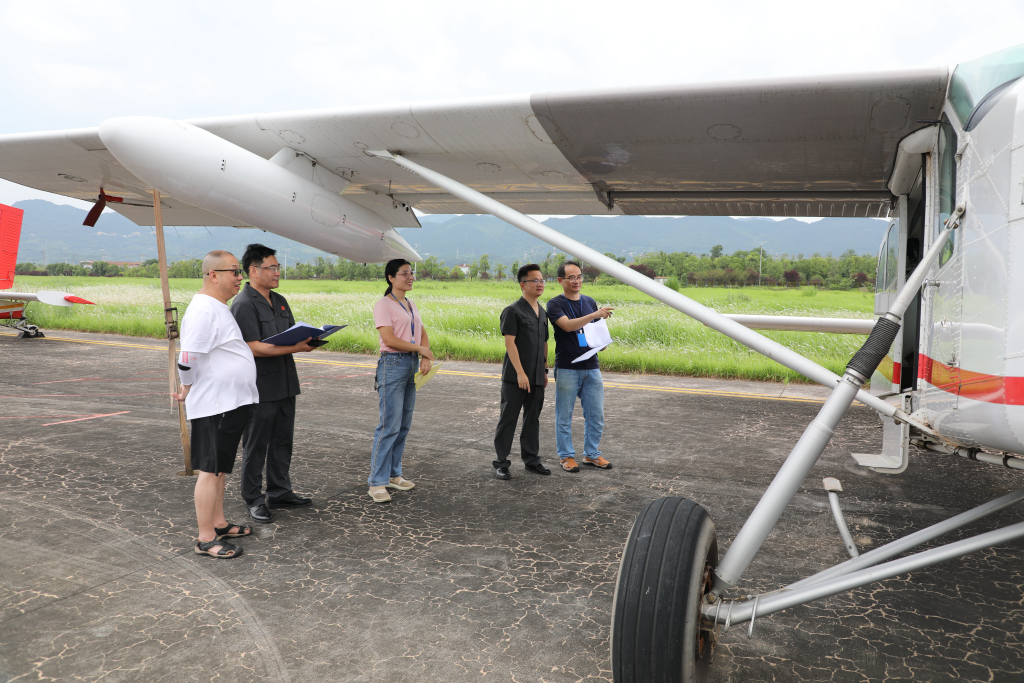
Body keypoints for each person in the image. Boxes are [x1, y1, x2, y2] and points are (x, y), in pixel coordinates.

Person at [172, 251, 260, 559]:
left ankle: (219, 523)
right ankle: (205, 538)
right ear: (213, 275)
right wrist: (186, 389)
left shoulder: (216, 307)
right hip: (214, 404)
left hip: (230, 402)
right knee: (210, 470)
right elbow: (188, 358)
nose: (240, 277)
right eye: (235, 272)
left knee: (221, 469)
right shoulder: (203, 311)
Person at [230, 243, 316, 524]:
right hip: (260, 387)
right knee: (256, 444)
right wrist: (297, 348)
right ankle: (253, 498)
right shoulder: (243, 304)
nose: (278, 272)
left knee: (282, 441)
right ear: (254, 271)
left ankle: (279, 491)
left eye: (278, 267)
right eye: (273, 267)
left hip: (285, 381)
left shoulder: (279, 300)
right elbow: (253, 347)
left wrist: (307, 341)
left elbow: (289, 336)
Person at [368, 258, 433, 503]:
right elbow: (389, 339)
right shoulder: (383, 304)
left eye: (411, 272)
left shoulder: (410, 303)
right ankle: (377, 481)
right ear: (390, 278)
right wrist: (420, 349)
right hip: (393, 364)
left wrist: (424, 355)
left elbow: (422, 332)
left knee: (403, 424)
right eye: (404, 273)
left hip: (411, 364)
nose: (410, 277)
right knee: (388, 426)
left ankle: (394, 474)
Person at [545, 261, 615, 472]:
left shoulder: (589, 301)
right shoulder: (555, 304)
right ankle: (566, 456)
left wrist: (601, 343)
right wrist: (594, 315)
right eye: (571, 277)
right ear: (561, 280)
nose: (577, 281)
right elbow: (567, 326)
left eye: (579, 277)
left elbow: (593, 331)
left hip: (591, 365)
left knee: (595, 414)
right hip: (568, 366)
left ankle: (591, 454)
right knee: (564, 415)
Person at [493, 264, 550, 480]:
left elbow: (544, 343)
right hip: (515, 377)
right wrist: (520, 373)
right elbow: (510, 344)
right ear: (522, 285)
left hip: (536, 376)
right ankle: (501, 463)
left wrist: (544, 369)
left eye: (542, 280)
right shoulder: (512, 311)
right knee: (508, 418)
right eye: (535, 280)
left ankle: (532, 460)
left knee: (532, 419)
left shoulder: (542, 312)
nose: (540, 284)